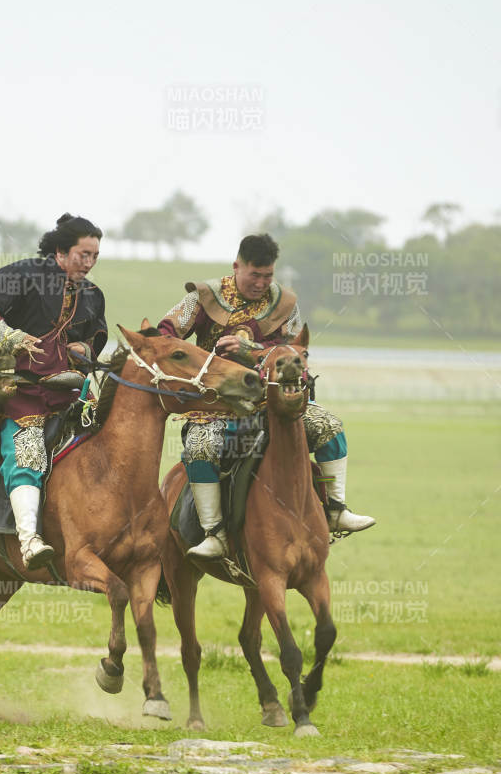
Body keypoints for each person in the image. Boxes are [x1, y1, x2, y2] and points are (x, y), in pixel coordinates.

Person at [159, 232, 375, 558]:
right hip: (215, 406)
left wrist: (250, 349)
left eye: (268, 275)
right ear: (237, 266)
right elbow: (164, 335)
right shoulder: (203, 297)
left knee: (328, 425)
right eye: (254, 275)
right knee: (201, 446)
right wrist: (199, 362)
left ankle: (336, 510)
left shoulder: (284, 304)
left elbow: (296, 350)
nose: (261, 283)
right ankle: (214, 533)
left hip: (272, 403)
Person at [0, 213, 108, 569]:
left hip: (73, 394)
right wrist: (10, 337)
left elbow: (94, 337)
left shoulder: (92, 295)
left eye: (94, 256)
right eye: (83, 255)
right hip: (22, 392)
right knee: (27, 453)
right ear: (60, 251)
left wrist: (84, 350)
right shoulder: (22, 275)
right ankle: (29, 540)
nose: (89, 263)